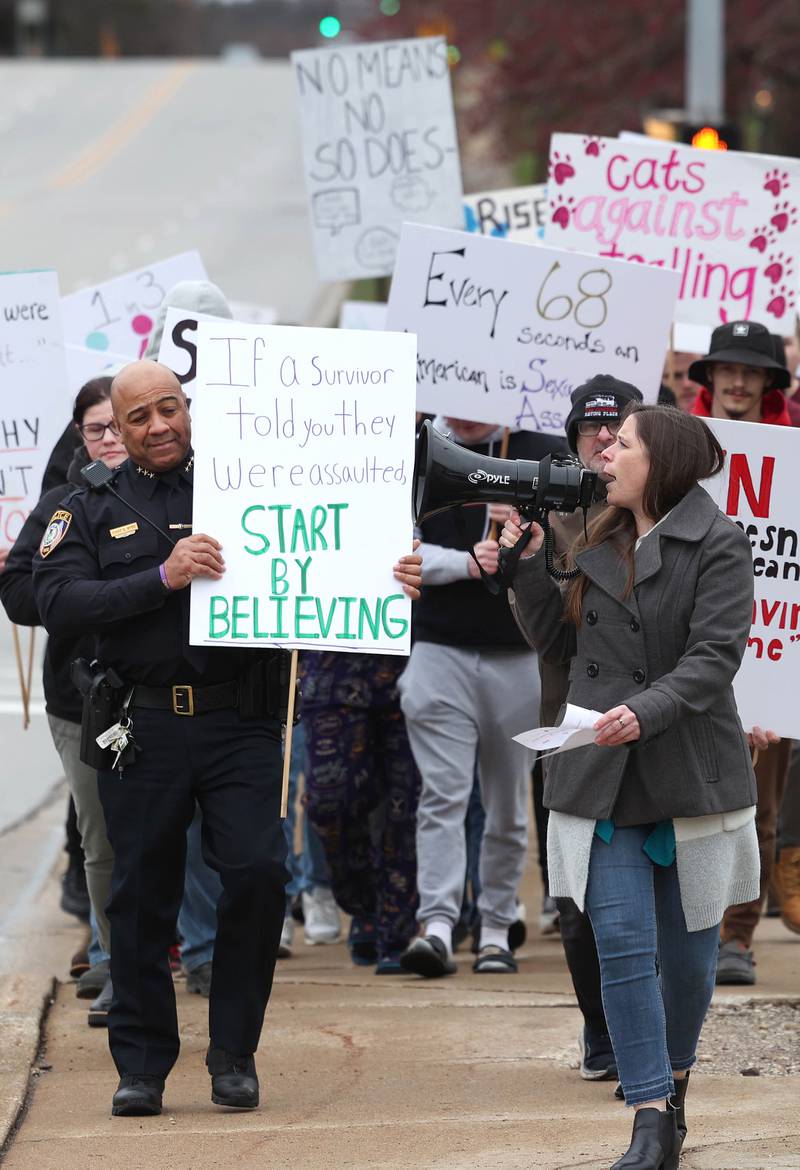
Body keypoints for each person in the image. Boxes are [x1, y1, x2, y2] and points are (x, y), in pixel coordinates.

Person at [32, 359, 422, 1117]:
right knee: (141, 894)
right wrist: (162, 579)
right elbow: (56, 599)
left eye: (168, 409)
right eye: (138, 417)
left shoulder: (250, 486)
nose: (157, 427)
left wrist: (386, 577)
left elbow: (330, 551)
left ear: (189, 408)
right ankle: (142, 1064)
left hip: (241, 721)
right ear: (120, 428)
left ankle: (233, 1055)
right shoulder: (89, 504)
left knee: (256, 875)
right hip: (140, 726)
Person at [501, 403, 760, 1169]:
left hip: (687, 773)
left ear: (663, 463)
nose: (604, 454)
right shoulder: (593, 535)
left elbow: (713, 660)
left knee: (687, 960)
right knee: (618, 942)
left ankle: (673, 1083)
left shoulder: (719, 543)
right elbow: (558, 645)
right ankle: (648, 1114)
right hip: (600, 773)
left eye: (623, 444)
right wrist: (524, 568)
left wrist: (641, 711)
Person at [398, 415, 562, 978]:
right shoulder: (415, 450)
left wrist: (524, 532)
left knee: (508, 801)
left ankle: (496, 926)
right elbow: (395, 548)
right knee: (441, 796)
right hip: (438, 651)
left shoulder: (541, 452)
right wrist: (466, 563)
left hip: (518, 657)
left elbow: (570, 547)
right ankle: (438, 923)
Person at [518, 376, 642, 1084]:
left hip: (651, 726)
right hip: (569, 732)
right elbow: (547, 640)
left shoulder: (668, 512)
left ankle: (640, 1035)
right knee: (576, 898)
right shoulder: (552, 517)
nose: (601, 439)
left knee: (643, 894)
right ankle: (600, 1027)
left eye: (617, 428)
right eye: (590, 429)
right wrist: (524, 561)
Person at [0, 377, 126, 1026]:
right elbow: (22, 598)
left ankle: (202, 950)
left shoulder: (182, 494)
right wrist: (39, 577)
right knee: (100, 838)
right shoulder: (61, 504)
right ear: (77, 434)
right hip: (81, 701)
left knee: (177, 838)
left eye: (119, 425)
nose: (110, 439)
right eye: (95, 428)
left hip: (162, 694)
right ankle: (116, 963)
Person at [688, 320, 794, 984]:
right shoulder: (676, 446)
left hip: (775, 651)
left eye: (751, 371)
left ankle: (737, 936)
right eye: (726, 368)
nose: (736, 381)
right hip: (694, 644)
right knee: (691, 800)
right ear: (708, 378)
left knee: (757, 804)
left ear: (769, 383)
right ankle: (694, 926)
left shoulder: (795, 452)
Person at [302, 648, 421, 973]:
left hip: (410, 663)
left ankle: (396, 929)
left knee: (404, 806)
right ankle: (365, 903)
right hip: (331, 667)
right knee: (329, 803)